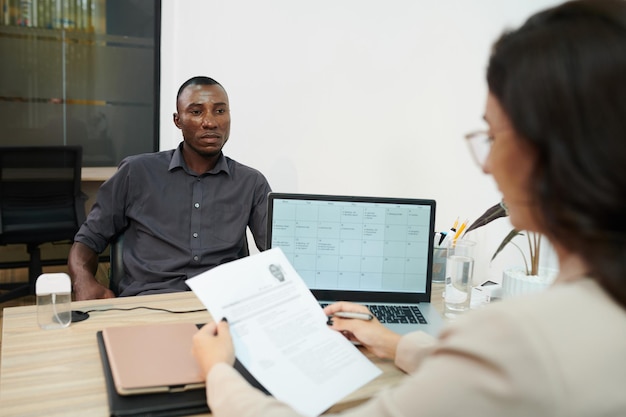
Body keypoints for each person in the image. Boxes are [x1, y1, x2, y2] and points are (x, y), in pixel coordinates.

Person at [191, 1, 626, 416]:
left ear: (555, 147)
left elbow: (504, 366)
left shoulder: (519, 340)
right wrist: (395, 343)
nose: (488, 164)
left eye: (493, 136)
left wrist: (219, 372)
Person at [68, 76, 272, 300]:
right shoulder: (136, 172)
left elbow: (278, 253)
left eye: (220, 111)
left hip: (224, 304)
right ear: (178, 120)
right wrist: (83, 281)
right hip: (151, 303)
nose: (211, 122)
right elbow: (88, 239)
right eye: (196, 112)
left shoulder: (251, 182)